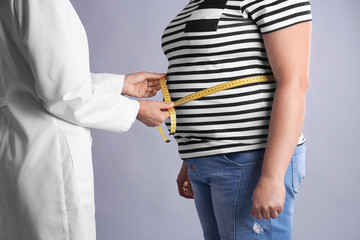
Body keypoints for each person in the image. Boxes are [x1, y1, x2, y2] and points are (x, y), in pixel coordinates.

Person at [0, 0, 173, 239]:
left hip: (18, 150)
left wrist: (119, 85)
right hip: (49, 162)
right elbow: (64, 95)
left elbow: (38, 76)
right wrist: (135, 111)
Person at [162, 0, 312, 239]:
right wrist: (192, 157)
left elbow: (295, 82)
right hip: (205, 159)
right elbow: (209, 72)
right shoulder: (196, 1)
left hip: (250, 159)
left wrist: (272, 177)